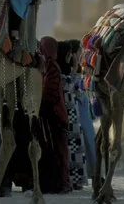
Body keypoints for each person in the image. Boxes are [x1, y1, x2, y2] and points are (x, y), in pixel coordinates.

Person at [37, 36, 71, 194]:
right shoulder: (49, 66)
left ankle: (61, 184)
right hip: (54, 113)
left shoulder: (52, 67)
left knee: (58, 150)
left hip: (54, 114)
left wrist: (40, 102)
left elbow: (51, 92)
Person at [66, 39, 99, 187]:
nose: (81, 54)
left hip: (84, 114)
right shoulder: (68, 70)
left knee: (90, 144)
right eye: (78, 51)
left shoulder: (81, 68)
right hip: (75, 114)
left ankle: (95, 174)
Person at [57, 41, 87, 189]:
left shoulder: (69, 71)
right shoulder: (58, 71)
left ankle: (77, 181)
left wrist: (78, 72)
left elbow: (79, 93)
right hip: (64, 114)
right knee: (69, 149)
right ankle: (68, 179)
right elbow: (66, 87)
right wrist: (75, 71)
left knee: (76, 149)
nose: (70, 57)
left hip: (73, 114)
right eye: (69, 54)